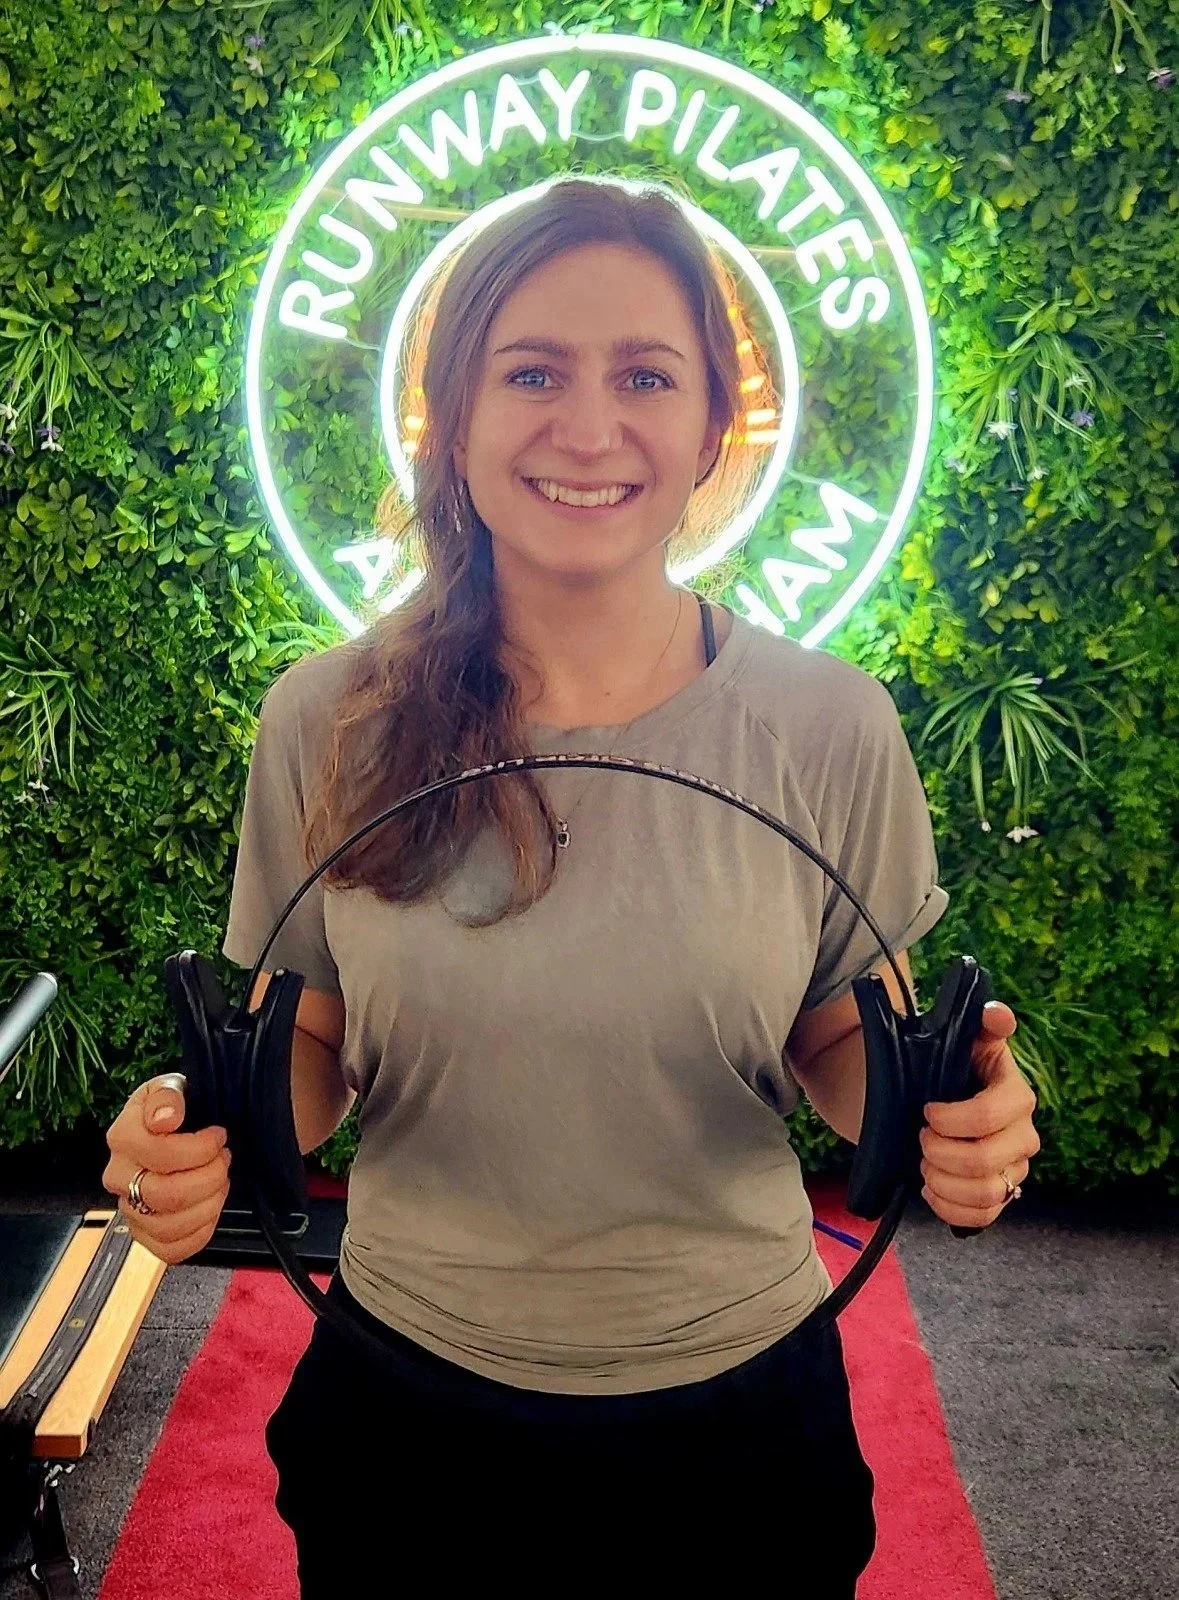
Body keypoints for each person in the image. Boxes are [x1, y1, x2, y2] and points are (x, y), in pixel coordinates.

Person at [103, 176, 1039, 1593]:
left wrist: (951, 1126)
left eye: (645, 376)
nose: (587, 427)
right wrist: (197, 1136)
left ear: (712, 428)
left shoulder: (830, 725)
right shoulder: (328, 718)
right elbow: (305, 1041)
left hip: (739, 1425)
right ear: (453, 417)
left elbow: (848, 1035)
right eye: (530, 371)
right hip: (406, 1411)